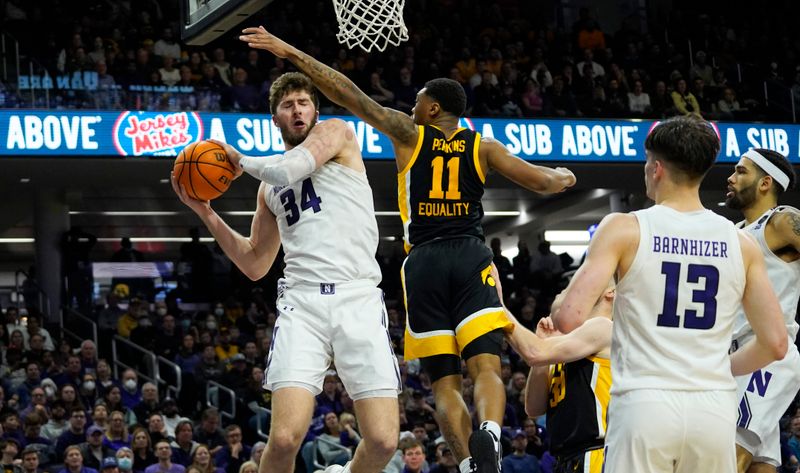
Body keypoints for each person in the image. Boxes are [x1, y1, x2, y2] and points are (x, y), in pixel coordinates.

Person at [238, 26, 575, 473]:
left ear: (432, 108)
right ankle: (491, 432)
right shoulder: (484, 147)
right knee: (487, 365)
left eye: (417, 101)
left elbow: (350, 94)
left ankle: (469, 463)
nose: (411, 106)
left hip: (423, 264)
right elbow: (546, 183)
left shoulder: (409, 135)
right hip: (471, 254)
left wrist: (290, 52)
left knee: (444, 383)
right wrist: (565, 176)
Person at [172, 70, 401, 473]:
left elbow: (289, 169)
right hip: (302, 303)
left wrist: (237, 158)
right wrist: (205, 212)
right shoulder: (267, 187)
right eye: (287, 106)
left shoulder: (338, 133)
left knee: (383, 441)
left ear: (314, 110)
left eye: (304, 103)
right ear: (274, 118)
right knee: (282, 439)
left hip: (358, 297)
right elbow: (255, 263)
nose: (297, 111)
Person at [550, 116, 788, 472]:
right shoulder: (741, 242)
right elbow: (776, 345)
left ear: (656, 168)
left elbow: (568, 318)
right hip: (713, 409)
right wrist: (721, 368)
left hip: (645, 405)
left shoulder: (624, 227)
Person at [724, 148, 800, 473]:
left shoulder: (782, 219)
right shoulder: (733, 231)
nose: (730, 177)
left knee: (724, 459)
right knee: (760, 468)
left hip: (767, 355)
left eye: (741, 171)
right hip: (734, 361)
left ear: (765, 182)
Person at [505, 281, 614, 473]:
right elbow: (534, 408)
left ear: (610, 293)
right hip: (565, 458)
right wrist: (544, 353)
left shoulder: (603, 327)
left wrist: (497, 307)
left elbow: (533, 352)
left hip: (595, 453)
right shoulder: (572, 343)